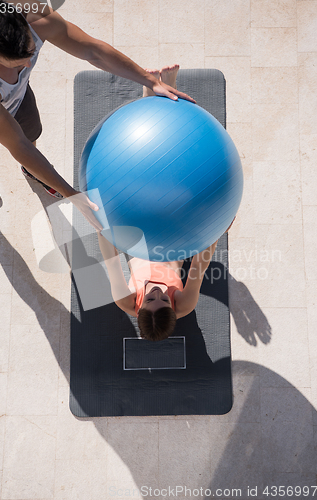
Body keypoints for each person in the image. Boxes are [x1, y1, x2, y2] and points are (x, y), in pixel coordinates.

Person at [0, 0, 194, 229]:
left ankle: (34, 171)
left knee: (32, 131)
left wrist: (151, 81)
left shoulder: (32, 12)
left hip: (16, 97)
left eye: (31, 53)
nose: (28, 64)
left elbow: (92, 50)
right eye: (17, 65)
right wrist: (72, 194)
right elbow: (17, 145)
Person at [98, 64, 235, 342]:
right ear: (173, 308)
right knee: (172, 175)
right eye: (164, 301)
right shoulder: (184, 306)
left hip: (140, 235)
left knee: (145, 171)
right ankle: (160, 95)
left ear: (139, 310)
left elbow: (111, 260)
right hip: (178, 234)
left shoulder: (125, 301)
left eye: (150, 301)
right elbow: (199, 265)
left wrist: (102, 223)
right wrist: (217, 227)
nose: (157, 294)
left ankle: (151, 94)